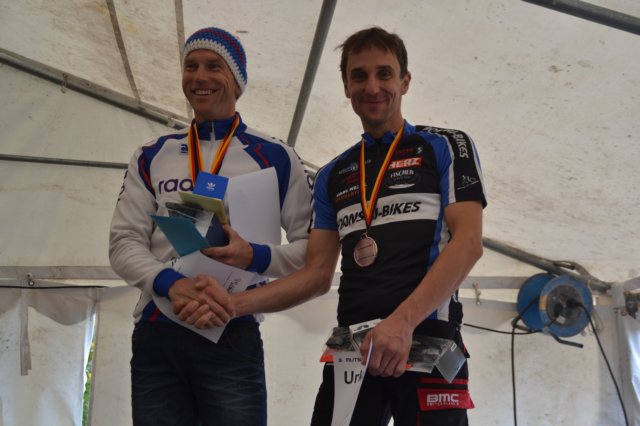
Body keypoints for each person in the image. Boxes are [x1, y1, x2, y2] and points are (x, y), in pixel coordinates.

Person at [178, 26, 487, 425]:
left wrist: (403, 321)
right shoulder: (333, 174)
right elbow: (316, 274)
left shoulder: (446, 145)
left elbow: (468, 243)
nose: (372, 86)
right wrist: (231, 305)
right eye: (359, 76)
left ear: (405, 81)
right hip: (354, 348)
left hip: (427, 336)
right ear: (346, 87)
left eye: (384, 74)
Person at [108, 26, 312, 426]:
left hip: (232, 326)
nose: (199, 76)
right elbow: (123, 243)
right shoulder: (152, 154)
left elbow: (311, 252)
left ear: (237, 82)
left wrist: (256, 256)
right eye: (191, 66)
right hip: (158, 329)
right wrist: (171, 284)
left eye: (214, 66)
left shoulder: (275, 155)